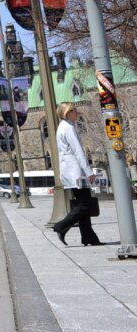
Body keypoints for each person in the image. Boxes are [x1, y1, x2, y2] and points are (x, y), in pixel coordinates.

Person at [53, 103, 102, 246]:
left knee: (83, 204)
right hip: (76, 172)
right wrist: (88, 172)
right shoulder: (68, 128)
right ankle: (61, 226)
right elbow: (78, 152)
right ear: (68, 113)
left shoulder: (63, 127)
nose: (77, 112)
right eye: (74, 110)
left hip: (70, 171)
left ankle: (89, 238)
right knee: (85, 204)